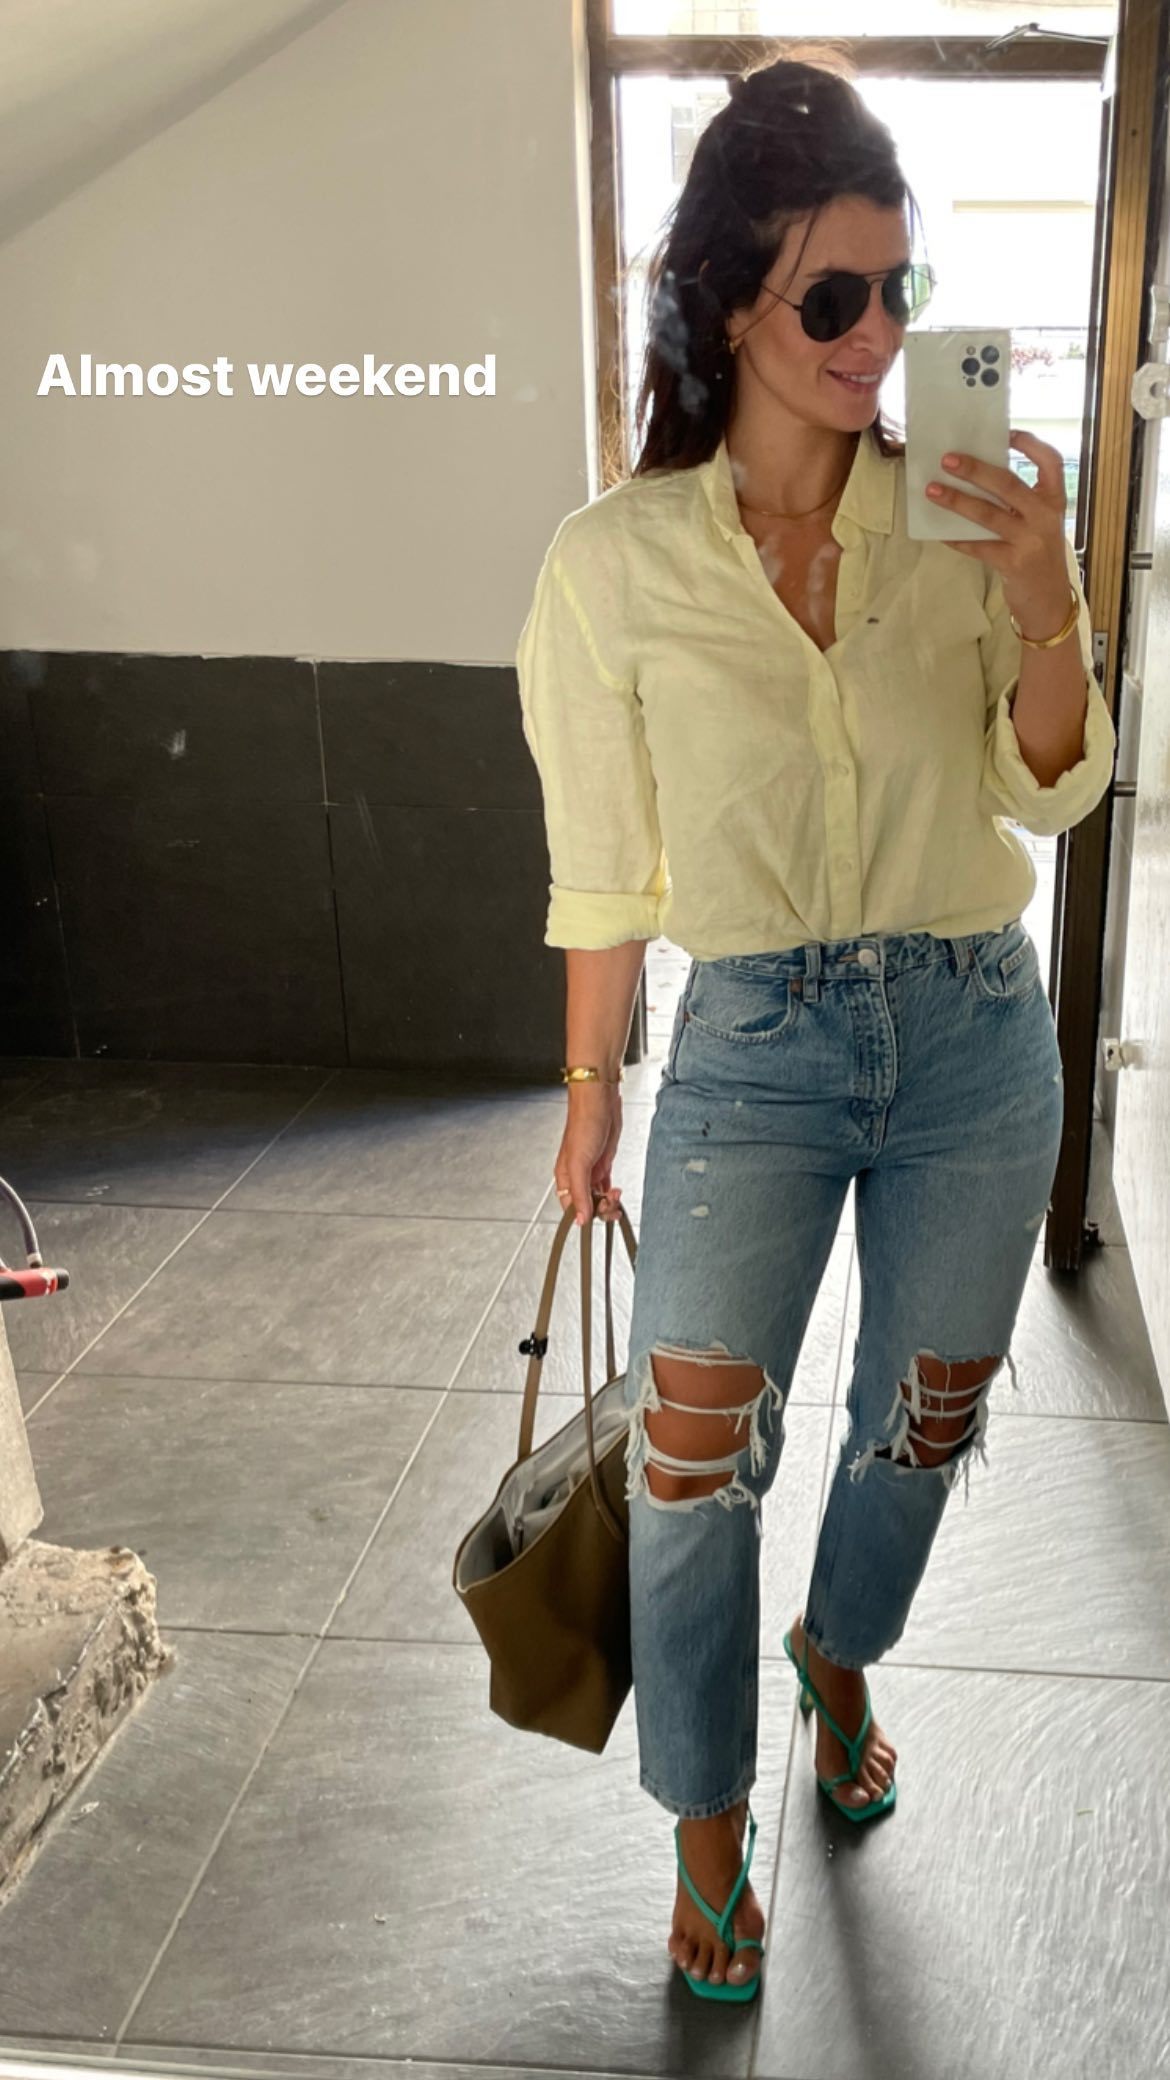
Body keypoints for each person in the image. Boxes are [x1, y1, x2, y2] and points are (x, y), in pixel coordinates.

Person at [514, 53, 1116, 2006]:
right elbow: (601, 868)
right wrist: (589, 1095)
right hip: (752, 1048)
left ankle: (837, 1656)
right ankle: (707, 1826)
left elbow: (1045, 791)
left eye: (898, 289)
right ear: (726, 306)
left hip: (972, 1036)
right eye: (832, 296)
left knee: (919, 1425)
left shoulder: (962, 516)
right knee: (694, 1467)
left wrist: (1047, 597)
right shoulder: (612, 566)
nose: (876, 335)